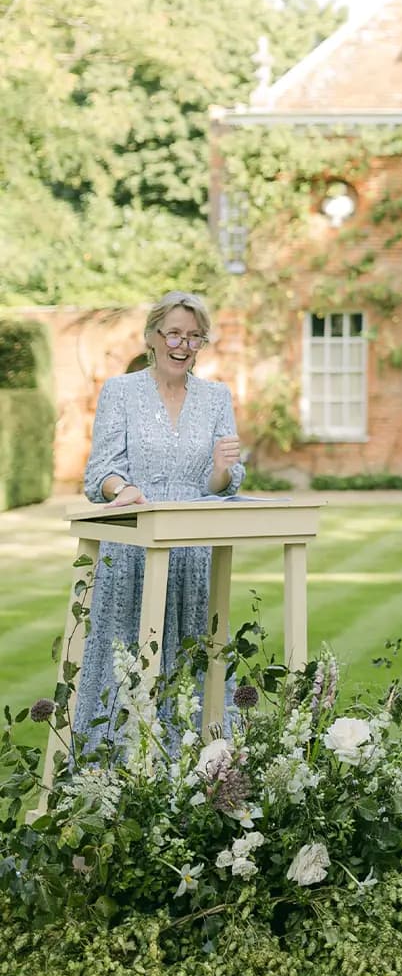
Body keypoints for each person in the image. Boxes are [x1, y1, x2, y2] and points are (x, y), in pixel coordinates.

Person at [74, 291, 245, 741]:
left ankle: (197, 772)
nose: (183, 344)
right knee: (126, 655)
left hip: (192, 549)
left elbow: (221, 483)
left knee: (191, 655)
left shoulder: (215, 397)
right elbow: (100, 472)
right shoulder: (121, 391)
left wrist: (222, 471)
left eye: (194, 336)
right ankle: (113, 770)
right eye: (174, 333)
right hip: (133, 543)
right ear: (152, 336)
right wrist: (124, 489)